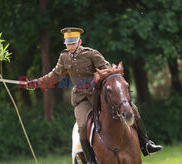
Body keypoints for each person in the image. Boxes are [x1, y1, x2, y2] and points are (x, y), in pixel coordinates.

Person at [27, 27, 162, 164]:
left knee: (132, 109)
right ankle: (91, 159)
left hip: (99, 95)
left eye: (73, 43)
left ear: (80, 41)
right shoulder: (64, 57)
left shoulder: (91, 54)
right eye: (68, 44)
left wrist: (106, 78)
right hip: (81, 99)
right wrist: (37, 83)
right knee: (83, 125)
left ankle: (146, 144)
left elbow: (107, 70)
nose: (70, 46)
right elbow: (55, 75)